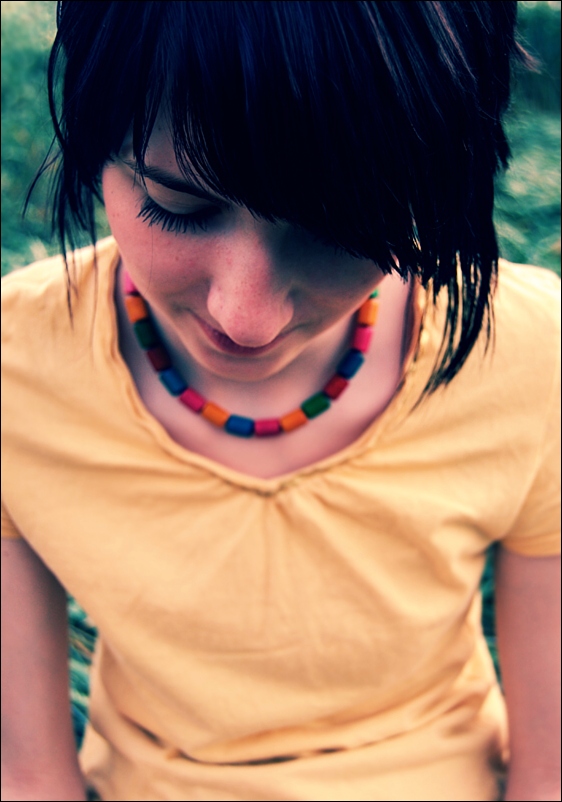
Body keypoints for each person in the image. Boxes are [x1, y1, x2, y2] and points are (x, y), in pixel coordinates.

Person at [1, 2, 560, 800]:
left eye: (339, 230)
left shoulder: (534, 356)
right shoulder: (15, 371)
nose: (245, 318)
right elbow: (29, 777)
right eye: (178, 207)